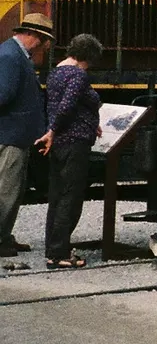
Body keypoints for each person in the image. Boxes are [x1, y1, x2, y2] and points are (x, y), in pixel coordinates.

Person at [36, 33, 104, 269]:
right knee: (70, 197)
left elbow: (59, 105)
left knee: (57, 195)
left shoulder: (56, 72)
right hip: (74, 142)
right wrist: (52, 131)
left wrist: (88, 122)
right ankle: (59, 254)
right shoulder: (78, 75)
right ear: (89, 56)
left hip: (60, 143)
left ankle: (53, 248)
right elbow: (67, 105)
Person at [0, 13, 53, 257]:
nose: (45, 46)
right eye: (43, 40)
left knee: (13, 189)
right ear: (31, 35)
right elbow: (3, 95)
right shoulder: (10, 56)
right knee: (6, 189)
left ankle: (5, 236)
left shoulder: (14, 54)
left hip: (15, 133)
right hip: (10, 134)